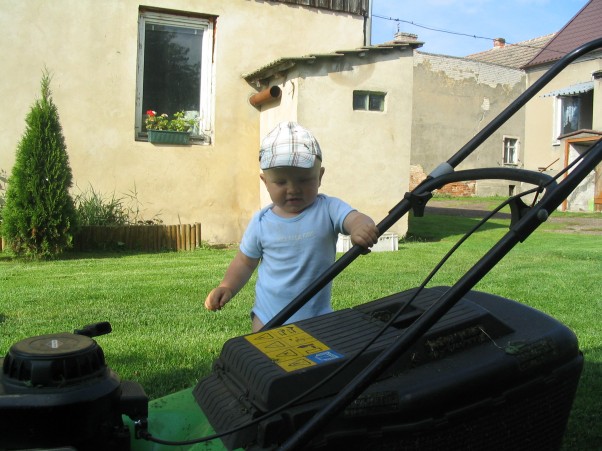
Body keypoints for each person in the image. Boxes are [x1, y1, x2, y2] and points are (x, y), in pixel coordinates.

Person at [204, 122, 379, 332]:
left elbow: (355, 218)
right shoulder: (261, 223)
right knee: (265, 362)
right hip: (268, 318)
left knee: (316, 364)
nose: (293, 189)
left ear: (320, 176)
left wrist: (362, 227)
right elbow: (244, 262)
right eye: (280, 182)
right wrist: (227, 286)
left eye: (304, 180)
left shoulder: (328, 208)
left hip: (317, 318)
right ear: (265, 181)